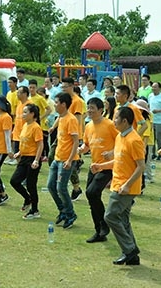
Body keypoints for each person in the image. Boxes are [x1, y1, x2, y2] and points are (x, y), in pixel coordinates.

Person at [91, 106, 145, 266]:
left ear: (125, 121)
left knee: (110, 216)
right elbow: (120, 161)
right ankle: (132, 255)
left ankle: (129, 250)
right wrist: (101, 166)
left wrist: (128, 185)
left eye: (116, 118)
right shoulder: (121, 137)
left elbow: (140, 166)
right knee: (123, 218)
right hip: (117, 183)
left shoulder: (135, 140)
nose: (113, 120)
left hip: (126, 187)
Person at [80, 97, 119, 242]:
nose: (89, 110)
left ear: (101, 110)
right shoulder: (88, 126)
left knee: (92, 192)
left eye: (92, 108)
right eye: (88, 107)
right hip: (94, 166)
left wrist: (112, 152)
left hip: (108, 167)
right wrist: (79, 150)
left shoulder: (109, 125)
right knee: (91, 196)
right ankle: (100, 230)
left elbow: (122, 142)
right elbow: (86, 145)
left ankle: (104, 224)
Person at [48, 92, 81, 229]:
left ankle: (70, 214)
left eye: (56, 102)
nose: (54, 104)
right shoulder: (61, 118)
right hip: (57, 158)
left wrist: (69, 160)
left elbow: (75, 142)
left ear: (63, 104)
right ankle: (63, 210)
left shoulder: (71, 119)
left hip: (66, 160)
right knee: (51, 186)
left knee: (61, 188)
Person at [10, 103, 44, 219]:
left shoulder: (36, 127)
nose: (22, 114)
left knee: (31, 185)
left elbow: (40, 145)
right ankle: (27, 198)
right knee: (14, 181)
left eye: (25, 112)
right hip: (24, 158)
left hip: (32, 159)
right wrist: (19, 152)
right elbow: (25, 142)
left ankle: (35, 210)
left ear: (32, 114)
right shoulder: (25, 125)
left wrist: (36, 160)